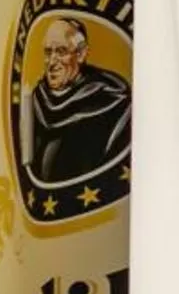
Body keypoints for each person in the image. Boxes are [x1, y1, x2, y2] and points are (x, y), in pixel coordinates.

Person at [23, 16, 130, 188]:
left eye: (61, 52)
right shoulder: (38, 99)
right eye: (48, 52)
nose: (52, 62)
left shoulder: (111, 102)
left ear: (81, 54)